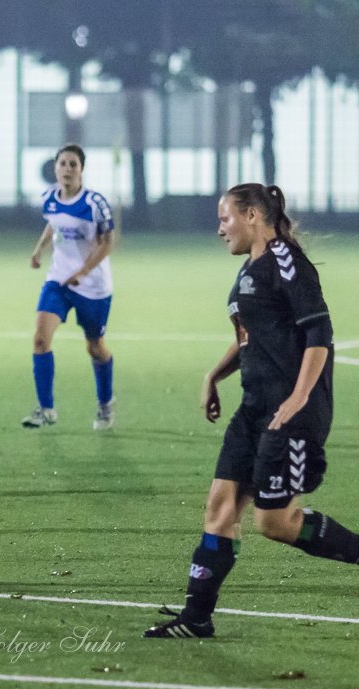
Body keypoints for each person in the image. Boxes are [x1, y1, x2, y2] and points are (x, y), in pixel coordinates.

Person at [145, 184, 358, 639]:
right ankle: (196, 617)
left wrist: (299, 398)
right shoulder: (249, 268)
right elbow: (251, 337)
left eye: (225, 218)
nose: (219, 228)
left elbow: (319, 335)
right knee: (220, 508)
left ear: (253, 215)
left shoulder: (286, 262)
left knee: (275, 523)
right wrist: (214, 376)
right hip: (254, 406)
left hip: (290, 412)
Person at [23, 143, 116, 430]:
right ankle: (46, 409)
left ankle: (105, 404)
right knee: (40, 339)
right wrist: (39, 249)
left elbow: (108, 242)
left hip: (93, 287)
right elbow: (53, 224)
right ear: (55, 168)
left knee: (95, 346)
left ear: (82, 169)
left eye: (73, 164)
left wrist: (83, 271)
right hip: (58, 281)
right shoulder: (49, 197)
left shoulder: (94, 203)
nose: (67, 169)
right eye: (62, 163)